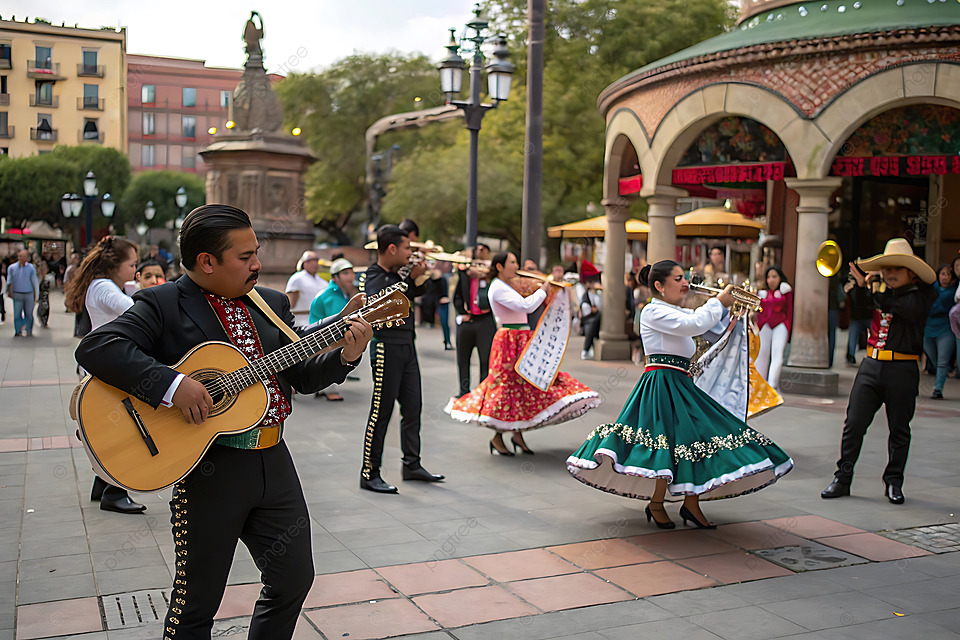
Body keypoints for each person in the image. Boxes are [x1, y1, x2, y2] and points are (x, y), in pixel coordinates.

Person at [75, 204, 372, 639]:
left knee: (293, 579)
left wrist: (346, 355)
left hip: (274, 460)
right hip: (209, 470)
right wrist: (174, 385)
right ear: (207, 261)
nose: (257, 264)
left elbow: (302, 377)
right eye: (245, 256)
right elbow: (98, 347)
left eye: (257, 252)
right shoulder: (164, 303)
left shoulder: (270, 303)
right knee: (197, 601)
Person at [567, 260, 793, 529]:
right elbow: (694, 324)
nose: (685, 283)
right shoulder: (652, 311)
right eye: (678, 279)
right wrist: (719, 301)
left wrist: (734, 313)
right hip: (661, 384)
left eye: (684, 277)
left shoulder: (674, 311)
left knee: (694, 440)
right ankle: (657, 503)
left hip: (681, 384)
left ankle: (690, 504)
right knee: (664, 443)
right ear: (659, 285)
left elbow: (711, 330)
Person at [446, 252, 600, 455]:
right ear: (499, 267)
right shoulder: (497, 287)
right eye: (512, 262)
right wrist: (544, 289)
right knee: (507, 388)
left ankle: (516, 434)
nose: (516, 265)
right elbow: (525, 306)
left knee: (523, 386)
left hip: (521, 338)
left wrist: (549, 287)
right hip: (509, 341)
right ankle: (499, 437)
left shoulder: (508, 285)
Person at [821, 238, 937, 505]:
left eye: (897, 268)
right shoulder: (879, 292)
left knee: (899, 430)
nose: (890, 273)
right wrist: (861, 286)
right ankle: (842, 478)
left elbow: (901, 309)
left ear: (911, 273)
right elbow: (860, 307)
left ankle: (894, 482)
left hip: (902, 369)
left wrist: (872, 288)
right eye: (887, 268)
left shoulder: (919, 296)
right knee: (854, 424)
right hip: (871, 366)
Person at [358, 224, 444, 493]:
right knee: (381, 412)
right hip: (386, 348)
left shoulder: (398, 275)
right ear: (392, 249)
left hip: (408, 346)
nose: (410, 253)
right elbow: (382, 301)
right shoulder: (372, 275)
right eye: (407, 248)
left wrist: (423, 275)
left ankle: (412, 464)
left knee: (413, 407)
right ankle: (369, 472)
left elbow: (418, 293)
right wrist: (409, 280)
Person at [64, 236, 145, 513]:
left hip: (104, 367)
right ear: (115, 265)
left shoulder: (102, 285)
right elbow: (133, 310)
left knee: (113, 428)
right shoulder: (103, 287)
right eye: (132, 264)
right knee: (123, 431)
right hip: (106, 369)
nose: (135, 269)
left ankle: (103, 484)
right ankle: (115, 491)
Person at [309, 258, 359, 401]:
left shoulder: (341, 293)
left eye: (351, 272)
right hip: (322, 336)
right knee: (333, 357)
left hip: (327, 334)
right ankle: (328, 389)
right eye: (345, 273)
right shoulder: (331, 296)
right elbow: (338, 322)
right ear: (335, 277)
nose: (351, 276)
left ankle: (321, 387)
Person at [453, 244, 495, 397]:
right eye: (479, 250)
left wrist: (485, 274)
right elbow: (456, 297)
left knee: (485, 359)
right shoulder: (465, 274)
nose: (481, 253)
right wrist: (462, 312)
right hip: (467, 319)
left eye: (485, 250)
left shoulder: (491, 276)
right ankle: (463, 392)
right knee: (463, 358)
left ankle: (483, 392)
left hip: (485, 319)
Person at [923, 263, 958, 399]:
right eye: (943, 274)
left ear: (953, 279)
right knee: (934, 359)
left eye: (948, 275)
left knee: (943, 361)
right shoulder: (931, 289)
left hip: (945, 329)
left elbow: (934, 307)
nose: (945, 277)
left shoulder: (953, 293)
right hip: (928, 329)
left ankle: (938, 389)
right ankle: (941, 375)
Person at [755, 266, 792, 392]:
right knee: (761, 355)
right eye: (769, 277)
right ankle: (760, 386)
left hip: (781, 324)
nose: (771, 280)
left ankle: (773, 387)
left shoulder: (785, 290)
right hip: (765, 326)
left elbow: (790, 310)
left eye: (774, 276)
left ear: (780, 277)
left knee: (777, 355)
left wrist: (788, 329)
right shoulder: (762, 292)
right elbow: (758, 312)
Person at [284, 250, 327, 328]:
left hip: (320, 322)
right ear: (305, 263)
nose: (315, 263)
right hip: (300, 323)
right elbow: (290, 304)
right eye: (312, 260)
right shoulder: (296, 278)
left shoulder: (323, 282)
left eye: (316, 260)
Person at [7, 249, 39, 337]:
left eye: (23, 256)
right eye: (20, 256)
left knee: (29, 314)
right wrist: (10, 292)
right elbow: (10, 281)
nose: (21, 258)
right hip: (17, 293)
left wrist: (37, 295)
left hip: (29, 294)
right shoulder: (12, 268)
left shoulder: (31, 268)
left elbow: (35, 281)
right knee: (17, 314)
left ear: (27, 258)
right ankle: (18, 331)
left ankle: (29, 330)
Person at [579, 260, 602, 360]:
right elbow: (586, 311)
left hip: (597, 319)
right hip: (587, 320)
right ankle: (586, 349)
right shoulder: (586, 295)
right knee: (591, 325)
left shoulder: (598, 294)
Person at [36, 262, 53, 329]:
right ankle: (42, 321)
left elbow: (51, 286)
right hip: (40, 295)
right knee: (41, 307)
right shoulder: (38, 278)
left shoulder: (48, 277)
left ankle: (45, 322)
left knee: (46, 307)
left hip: (46, 295)